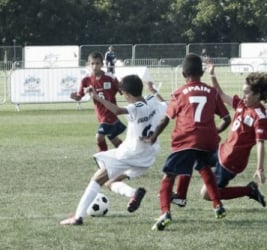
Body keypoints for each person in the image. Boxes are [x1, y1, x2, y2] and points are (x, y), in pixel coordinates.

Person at [60, 75, 167, 225]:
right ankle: (133, 193)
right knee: (109, 182)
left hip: (129, 154)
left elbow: (116, 110)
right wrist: (154, 91)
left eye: (122, 93)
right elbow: (165, 104)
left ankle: (78, 217)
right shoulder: (152, 100)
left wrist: (96, 96)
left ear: (127, 94)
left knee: (97, 179)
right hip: (148, 156)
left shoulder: (134, 108)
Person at [145, 53, 231, 231]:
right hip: (208, 140)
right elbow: (227, 118)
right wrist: (214, 132)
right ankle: (217, 205)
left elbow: (165, 120)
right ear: (202, 72)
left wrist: (153, 137)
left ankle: (165, 213)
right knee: (204, 167)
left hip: (186, 138)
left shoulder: (179, 93)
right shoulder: (212, 92)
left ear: (184, 73)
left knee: (168, 175)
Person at [173, 63, 267, 208]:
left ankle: (249, 190)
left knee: (207, 194)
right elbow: (220, 94)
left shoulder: (261, 117)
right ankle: (180, 195)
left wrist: (260, 169)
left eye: (247, 93)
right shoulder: (242, 104)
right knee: (193, 153)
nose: (243, 96)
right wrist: (212, 74)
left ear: (257, 94)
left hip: (232, 161)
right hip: (222, 151)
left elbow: (260, 143)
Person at [70, 52, 126, 152]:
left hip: (110, 113)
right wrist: (75, 97)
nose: (95, 66)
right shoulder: (86, 80)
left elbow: (123, 91)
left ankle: (103, 162)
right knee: (115, 141)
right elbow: (80, 96)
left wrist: (125, 88)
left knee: (99, 137)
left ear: (102, 64)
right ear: (88, 64)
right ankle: (128, 156)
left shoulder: (110, 78)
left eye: (97, 63)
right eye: (92, 63)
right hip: (100, 115)